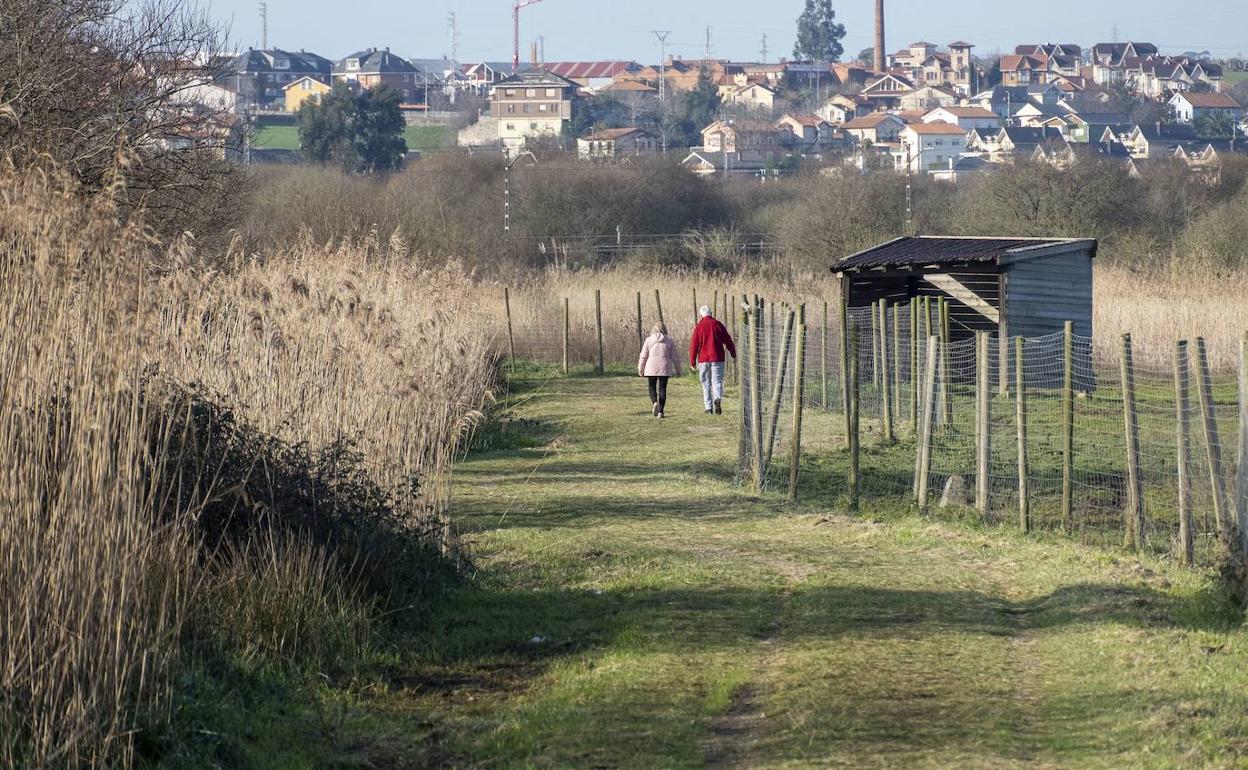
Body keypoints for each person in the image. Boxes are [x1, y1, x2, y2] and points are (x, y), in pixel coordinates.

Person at [689, 305, 736, 414]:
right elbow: (728, 340)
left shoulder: (699, 327)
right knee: (717, 381)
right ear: (711, 313)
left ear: (701, 315)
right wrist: (733, 353)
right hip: (718, 357)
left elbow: (694, 346)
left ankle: (708, 408)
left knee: (706, 383)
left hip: (704, 359)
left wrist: (692, 362)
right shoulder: (718, 325)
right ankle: (717, 398)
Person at [637, 322, 680, 418]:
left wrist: (641, 368)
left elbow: (643, 356)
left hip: (651, 367)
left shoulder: (648, 340)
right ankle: (660, 411)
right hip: (664, 367)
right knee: (662, 388)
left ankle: (655, 402)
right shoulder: (669, 341)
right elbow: (675, 357)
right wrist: (678, 370)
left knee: (652, 386)